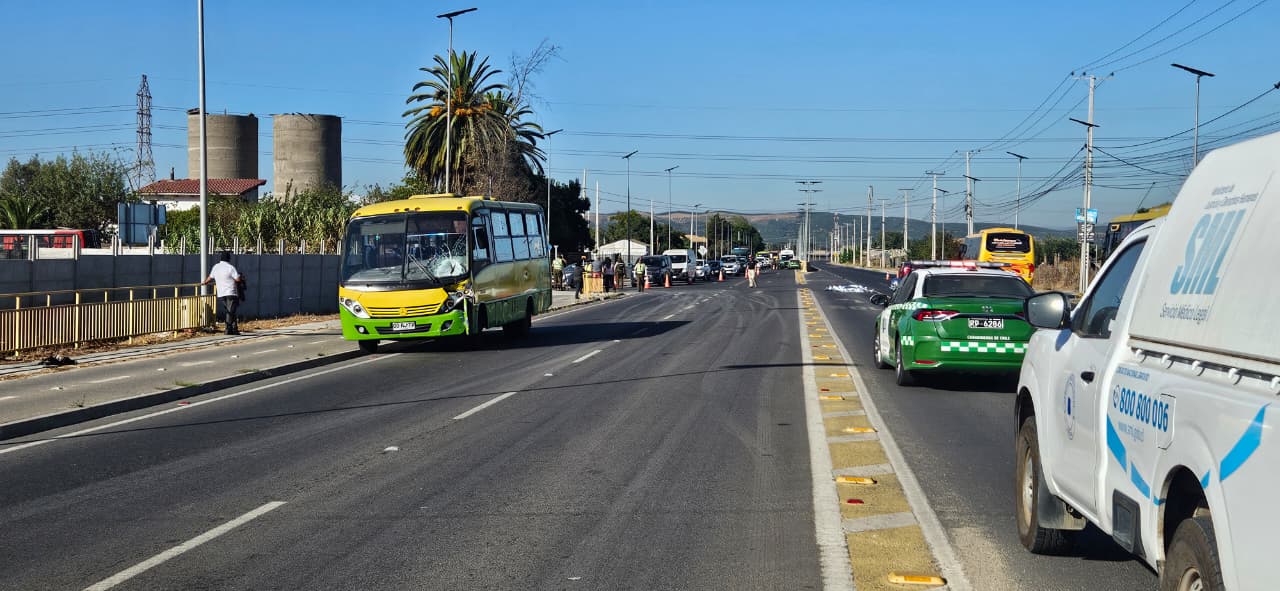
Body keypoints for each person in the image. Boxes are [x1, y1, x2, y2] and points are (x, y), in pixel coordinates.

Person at [201, 251, 244, 335]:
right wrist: (241, 277)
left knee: (230, 311)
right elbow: (237, 279)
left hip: (221, 293)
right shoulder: (230, 267)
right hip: (231, 292)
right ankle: (228, 329)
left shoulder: (216, 267)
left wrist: (204, 282)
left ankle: (234, 329)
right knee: (230, 311)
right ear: (228, 258)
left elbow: (210, 277)